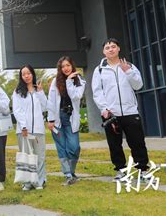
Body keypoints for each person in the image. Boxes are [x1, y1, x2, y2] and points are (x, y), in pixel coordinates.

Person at [92, 38, 149, 180]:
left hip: (130, 112)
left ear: (118, 49)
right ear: (103, 52)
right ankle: (122, 171)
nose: (110, 49)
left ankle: (142, 169)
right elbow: (97, 92)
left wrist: (128, 72)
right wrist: (104, 108)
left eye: (113, 46)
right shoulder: (99, 70)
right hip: (111, 114)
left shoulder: (129, 66)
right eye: (107, 48)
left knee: (137, 142)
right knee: (115, 145)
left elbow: (138, 85)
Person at [47, 56, 86, 186]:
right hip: (58, 117)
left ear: (72, 66)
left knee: (74, 147)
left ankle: (71, 171)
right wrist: (50, 119)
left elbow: (76, 96)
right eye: (63, 66)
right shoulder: (55, 81)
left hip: (71, 118)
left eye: (68, 65)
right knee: (62, 147)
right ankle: (68, 174)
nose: (66, 68)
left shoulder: (79, 80)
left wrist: (69, 81)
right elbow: (51, 101)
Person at [13, 64, 47, 190]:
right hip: (24, 130)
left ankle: (39, 181)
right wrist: (23, 126)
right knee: (26, 156)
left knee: (39, 156)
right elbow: (17, 110)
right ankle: (27, 182)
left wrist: (41, 92)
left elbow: (45, 107)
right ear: (21, 76)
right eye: (24, 74)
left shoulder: (38, 90)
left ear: (32, 74)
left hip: (38, 129)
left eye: (28, 73)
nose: (26, 76)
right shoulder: (18, 92)